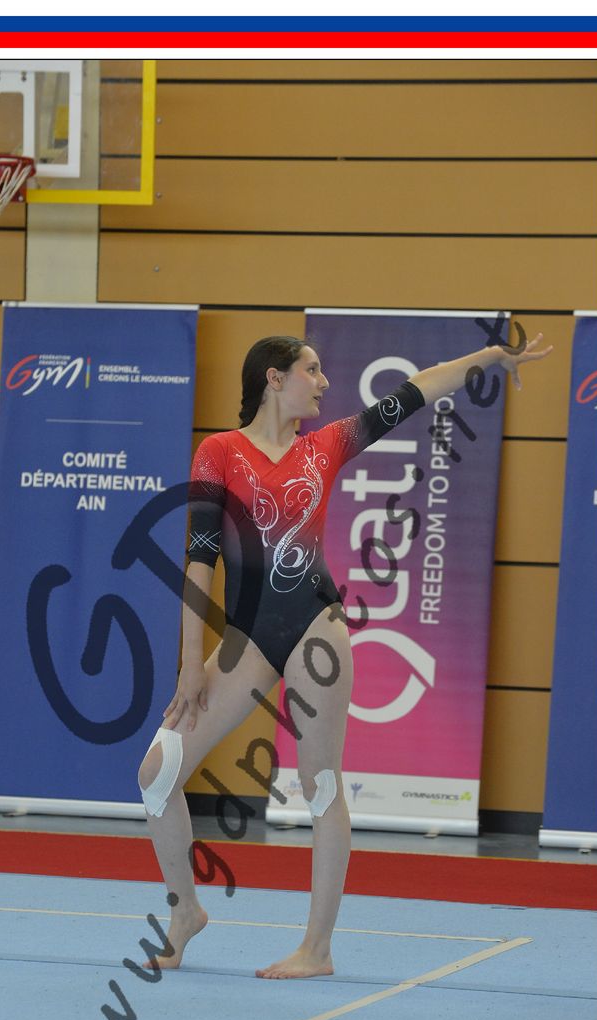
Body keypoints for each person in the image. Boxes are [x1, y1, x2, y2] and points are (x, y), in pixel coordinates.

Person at [137, 332, 552, 979]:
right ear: (274, 378)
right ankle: (186, 909)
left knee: (321, 784)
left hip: (314, 627)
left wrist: (490, 359)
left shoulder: (326, 445)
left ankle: (318, 948)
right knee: (158, 773)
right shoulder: (219, 452)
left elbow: (417, 390)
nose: (324, 381)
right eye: (312, 370)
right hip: (247, 638)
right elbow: (199, 561)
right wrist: (191, 664)